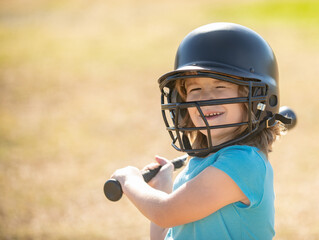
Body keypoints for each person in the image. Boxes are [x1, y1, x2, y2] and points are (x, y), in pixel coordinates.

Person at [111, 22, 292, 240]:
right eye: (195, 89)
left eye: (220, 87)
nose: (205, 100)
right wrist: (162, 188)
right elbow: (168, 229)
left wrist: (130, 180)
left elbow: (165, 212)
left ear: (255, 100)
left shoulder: (243, 164)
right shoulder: (201, 165)